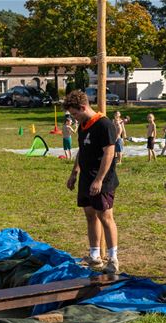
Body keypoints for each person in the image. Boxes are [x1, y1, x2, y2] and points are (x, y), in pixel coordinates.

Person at [64, 90, 120, 274]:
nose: (74, 118)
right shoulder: (83, 126)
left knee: (105, 216)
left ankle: (113, 258)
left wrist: (99, 180)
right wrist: (74, 173)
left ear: (83, 107)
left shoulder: (104, 124)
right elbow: (82, 151)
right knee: (90, 214)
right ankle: (94, 255)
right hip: (86, 178)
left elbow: (109, 153)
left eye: (75, 114)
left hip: (102, 179)